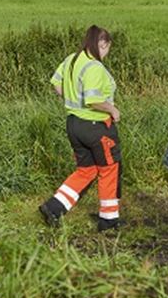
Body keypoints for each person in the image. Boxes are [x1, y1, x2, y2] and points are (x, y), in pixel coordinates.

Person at [39, 26, 121, 230]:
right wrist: (113, 109)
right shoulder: (94, 67)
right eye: (107, 48)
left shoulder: (71, 59)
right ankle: (108, 220)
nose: (107, 53)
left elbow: (56, 83)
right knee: (109, 168)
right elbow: (94, 100)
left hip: (74, 124)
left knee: (87, 170)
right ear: (102, 44)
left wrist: (71, 99)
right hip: (96, 126)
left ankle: (54, 208)